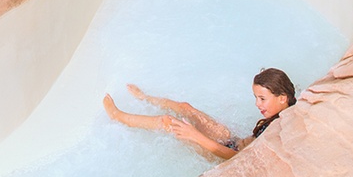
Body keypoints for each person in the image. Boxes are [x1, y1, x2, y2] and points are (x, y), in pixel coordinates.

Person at [103, 68, 297, 160]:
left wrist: (194, 135)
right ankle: (145, 97)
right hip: (234, 142)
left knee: (168, 122)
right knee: (186, 108)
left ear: (282, 97)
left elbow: (236, 159)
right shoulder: (286, 110)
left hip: (224, 156)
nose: (257, 104)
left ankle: (118, 116)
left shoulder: (277, 129)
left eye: (262, 99)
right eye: (256, 97)